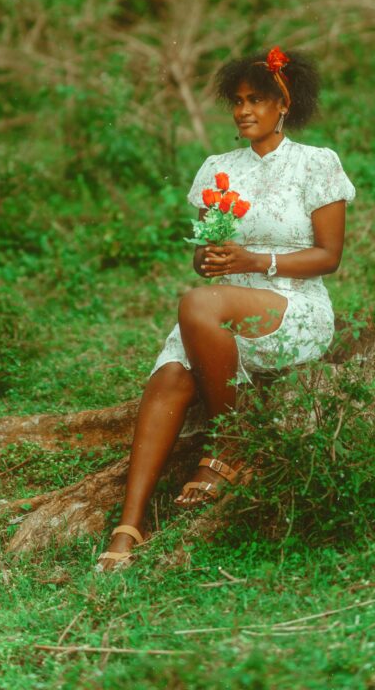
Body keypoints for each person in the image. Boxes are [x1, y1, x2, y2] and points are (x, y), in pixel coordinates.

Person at [96, 46, 355, 571]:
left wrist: (254, 261)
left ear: (284, 103)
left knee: (197, 306)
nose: (243, 111)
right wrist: (209, 258)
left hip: (291, 307)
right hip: (215, 311)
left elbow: (329, 256)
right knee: (170, 375)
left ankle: (230, 444)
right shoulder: (217, 170)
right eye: (236, 101)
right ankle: (128, 528)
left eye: (255, 100)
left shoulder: (316, 163)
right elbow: (201, 256)